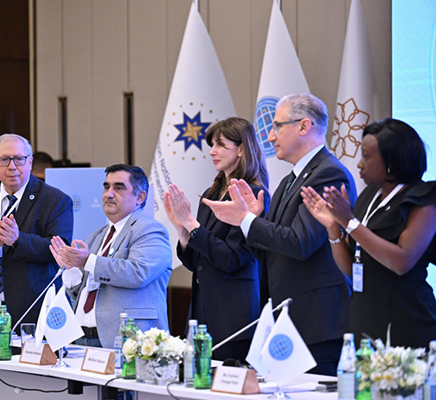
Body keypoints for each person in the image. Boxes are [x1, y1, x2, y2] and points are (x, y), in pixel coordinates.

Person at [203, 93, 356, 375]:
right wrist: (251, 220)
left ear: (304, 126)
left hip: (317, 321)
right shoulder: (289, 180)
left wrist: (247, 220)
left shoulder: (328, 174)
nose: (270, 136)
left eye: (277, 126)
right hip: (287, 320)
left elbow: (300, 243)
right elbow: (268, 251)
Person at [301, 118, 436, 348]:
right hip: (364, 319)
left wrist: (349, 222)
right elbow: (350, 267)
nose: (359, 164)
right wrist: (333, 227)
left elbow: (402, 262)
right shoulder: (368, 196)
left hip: (406, 321)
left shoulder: (423, 198)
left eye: (366, 156)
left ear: (391, 161)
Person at [163, 117, 270, 362]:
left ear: (241, 149)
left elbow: (232, 259)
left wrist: (192, 224)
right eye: (212, 145)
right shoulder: (211, 193)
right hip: (202, 312)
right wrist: (182, 230)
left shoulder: (252, 195)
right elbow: (196, 262)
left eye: (220, 145)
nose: (212, 151)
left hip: (233, 317)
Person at [0, 133, 73, 326]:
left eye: (19, 159)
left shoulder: (55, 200)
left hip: (33, 308)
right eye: (4, 160)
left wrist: (17, 239)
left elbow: (59, 249)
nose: (12, 166)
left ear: (30, 162)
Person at [49, 164, 172, 348]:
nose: (109, 194)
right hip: (81, 338)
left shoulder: (150, 230)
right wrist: (71, 269)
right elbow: (80, 293)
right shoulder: (97, 236)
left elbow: (139, 273)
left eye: (119, 188)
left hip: (127, 340)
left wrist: (87, 261)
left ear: (140, 197)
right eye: (106, 187)